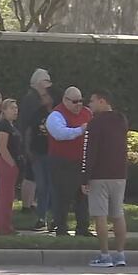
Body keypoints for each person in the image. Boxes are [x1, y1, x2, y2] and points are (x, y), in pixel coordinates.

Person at [82, 89, 129, 268]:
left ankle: (105, 255)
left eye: (92, 101)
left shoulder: (95, 123)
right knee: (117, 214)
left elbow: (90, 152)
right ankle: (120, 254)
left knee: (100, 215)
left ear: (102, 101)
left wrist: (85, 177)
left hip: (99, 175)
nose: (90, 104)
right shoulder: (121, 120)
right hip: (119, 174)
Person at [46, 86, 93, 237]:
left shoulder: (87, 113)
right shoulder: (56, 115)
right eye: (74, 101)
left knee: (83, 196)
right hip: (62, 162)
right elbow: (59, 134)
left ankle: (83, 228)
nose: (78, 104)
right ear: (65, 100)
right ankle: (61, 228)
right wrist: (80, 130)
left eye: (80, 101)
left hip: (81, 161)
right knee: (63, 196)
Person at [19, 69, 52, 213]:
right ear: (39, 82)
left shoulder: (32, 97)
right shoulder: (32, 99)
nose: (49, 84)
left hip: (30, 140)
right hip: (31, 141)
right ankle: (27, 205)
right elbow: (30, 123)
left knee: (32, 174)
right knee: (30, 174)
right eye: (47, 81)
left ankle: (30, 202)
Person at [25, 87, 56, 231]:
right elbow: (30, 130)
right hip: (38, 153)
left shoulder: (58, 113)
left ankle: (55, 218)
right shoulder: (38, 113)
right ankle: (41, 218)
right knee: (42, 186)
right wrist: (28, 149)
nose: (42, 98)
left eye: (45, 96)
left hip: (53, 155)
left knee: (53, 187)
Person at [0, 99, 23, 235]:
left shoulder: (11, 126)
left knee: (2, 197)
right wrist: (12, 164)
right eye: (11, 108)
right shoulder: (3, 126)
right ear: (4, 110)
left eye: (16, 108)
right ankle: (6, 228)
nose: (15, 111)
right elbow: (2, 147)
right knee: (6, 197)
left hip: (9, 162)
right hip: (5, 163)